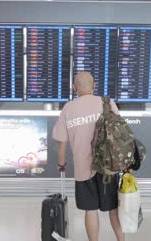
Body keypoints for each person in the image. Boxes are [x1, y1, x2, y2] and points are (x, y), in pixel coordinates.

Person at [52, 72, 125, 241]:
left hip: (83, 169)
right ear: (94, 85)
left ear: (74, 87)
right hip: (108, 167)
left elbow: (61, 141)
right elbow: (121, 133)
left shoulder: (68, 108)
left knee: (90, 210)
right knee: (113, 208)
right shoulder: (107, 103)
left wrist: (61, 163)